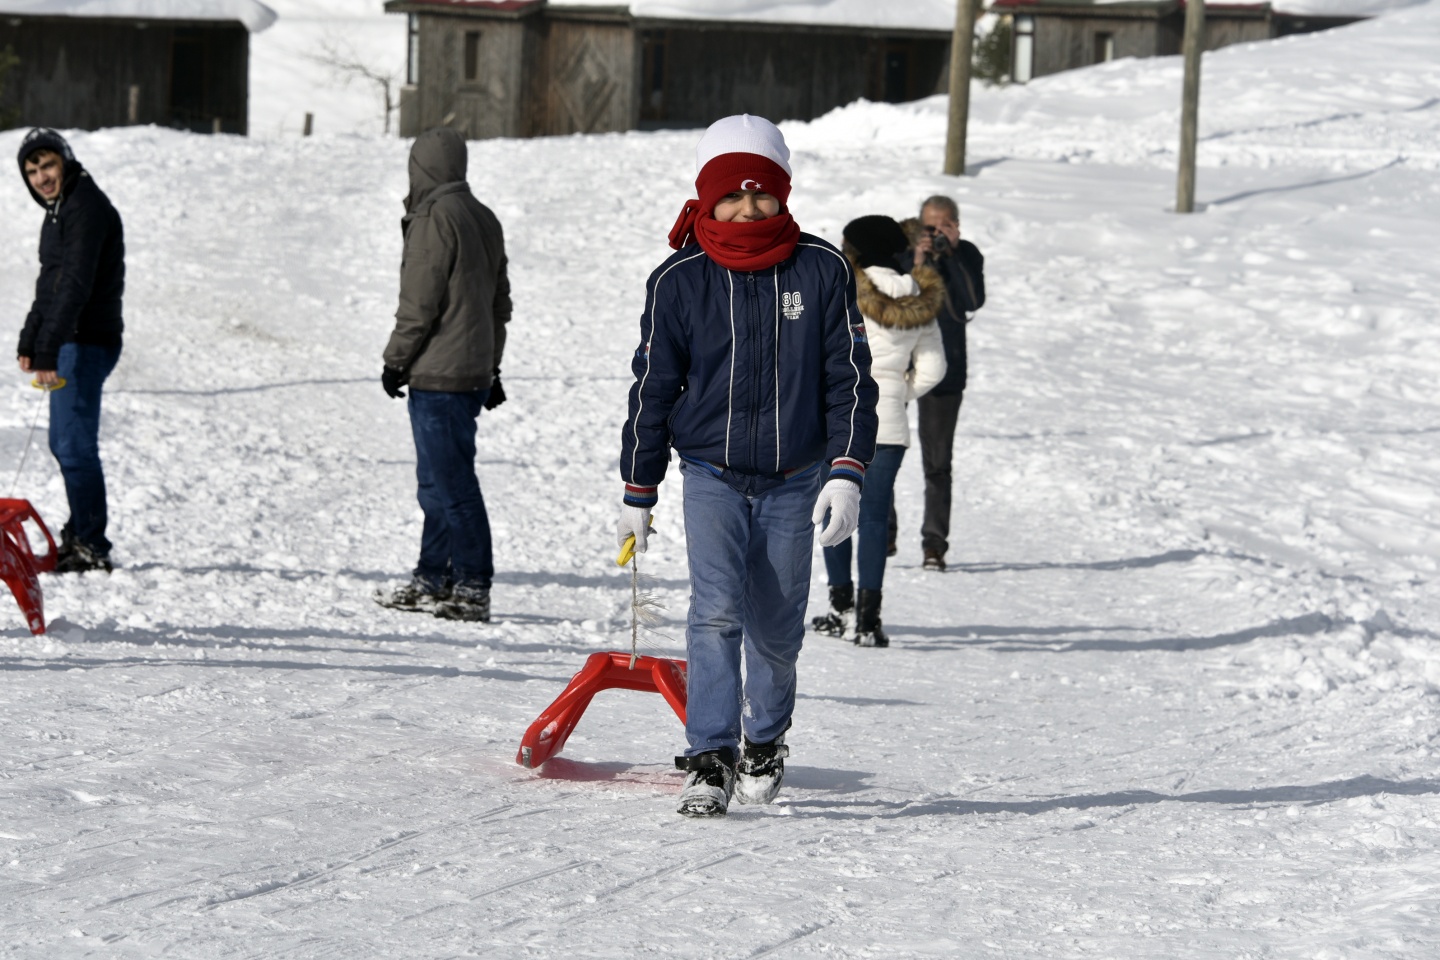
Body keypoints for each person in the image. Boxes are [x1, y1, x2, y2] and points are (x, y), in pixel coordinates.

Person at [618, 115, 878, 818]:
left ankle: (764, 738)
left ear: (782, 193)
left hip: (796, 478)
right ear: (708, 198)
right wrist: (639, 487)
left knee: (777, 628)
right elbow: (653, 387)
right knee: (714, 614)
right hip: (711, 474)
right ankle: (709, 756)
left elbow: (851, 379)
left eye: (761, 192)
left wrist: (846, 470)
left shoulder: (820, 269)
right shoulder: (679, 281)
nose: (748, 207)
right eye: (731, 195)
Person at [376, 127, 511, 623]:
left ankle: (473, 586)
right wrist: (490, 365)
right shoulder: (483, 216)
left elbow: (419, 303)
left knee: (452, 487)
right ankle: (432, 577)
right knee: (437, 484)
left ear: (422, 168)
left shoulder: (434, 218)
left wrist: (396, 361)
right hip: (468, 372)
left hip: (439, 374)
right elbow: (499, 303)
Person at [812, 216, 945, 648]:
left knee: (835, 510)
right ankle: (869, 622)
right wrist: (900, 392)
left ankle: (840, 609)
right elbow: (934, 368)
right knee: (873, 518)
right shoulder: (918, 296)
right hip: (889, 422)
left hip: (839, 419)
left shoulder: (840, 286)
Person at [15, 128, 125, 574]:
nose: (41, 177)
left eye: (48, 165)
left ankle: (92, 544)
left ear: (66, 161)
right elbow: (50, 282)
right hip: (71, 339)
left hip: (86, 341)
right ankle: (81, 533)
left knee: (74, 446)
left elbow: (75, 284)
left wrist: (48, 348)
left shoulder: (86, 208)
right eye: (32, 171)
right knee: (63, 444)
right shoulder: (60, 211)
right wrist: (31, 337)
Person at [896, 195, 986, 571]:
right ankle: (882, 530)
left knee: (938, 463)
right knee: (883, 451)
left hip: (945, 369)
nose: (935, 233)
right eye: (929, 226)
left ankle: (934, 545)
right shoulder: (902, 253)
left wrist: (952, 255)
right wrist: (917, 261)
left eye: (943, 225)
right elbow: (891, 300)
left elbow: (973, 300)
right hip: (899, 365)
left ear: (956, 225)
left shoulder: (966, 255)